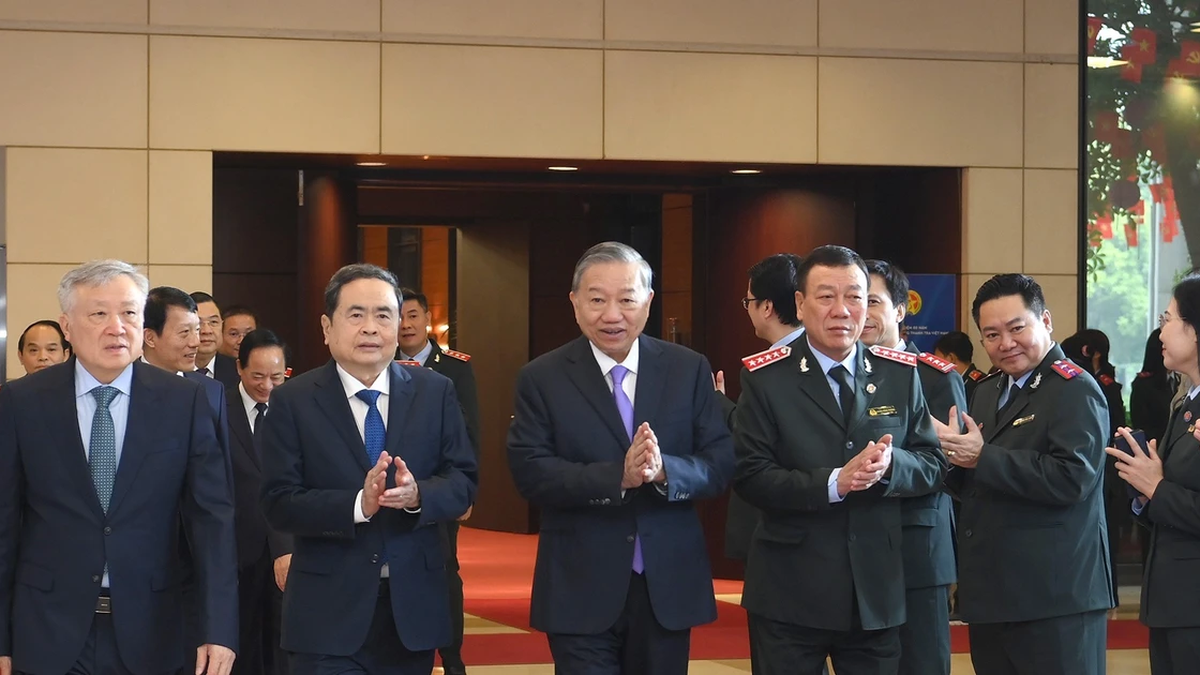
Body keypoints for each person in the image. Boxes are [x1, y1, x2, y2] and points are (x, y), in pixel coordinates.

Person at [0, 260, 238, 675]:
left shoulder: (185, 402)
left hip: (154, 629)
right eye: (99, 314)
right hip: (45, 629)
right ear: (67, 327)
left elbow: (211, 521)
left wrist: (218, 629)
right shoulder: (21, 402)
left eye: (129, 312)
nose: (117, 327)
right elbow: (4, 526)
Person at [507, 241, 735, 674]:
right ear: (575, 303)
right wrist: (620, 477)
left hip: (665, 585)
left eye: (627, 299)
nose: (612, 315)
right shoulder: (542, 378)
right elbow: (531, 473)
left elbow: (720, 462)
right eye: (596, 300)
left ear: (648, 302)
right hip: (580, 583)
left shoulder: (687, 369)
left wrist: (666, 469)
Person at [734, 245, 946, 675]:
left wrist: (890, 468)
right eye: (826, 296)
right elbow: (751, 475)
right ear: (800, 303)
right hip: (790, 589)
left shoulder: (899, 373)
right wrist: (834, 483)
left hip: (875, 591)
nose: (843, 310)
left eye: (856, 296)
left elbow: (932, 462)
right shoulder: (765, 377)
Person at [260, 263, 477, 675]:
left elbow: (463, 482)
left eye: (383, 315)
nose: (371, 328)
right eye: (356, 314)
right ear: (327, 327)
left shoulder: (436, 392)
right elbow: (278, 502)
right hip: (327, 613)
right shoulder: (294, 400)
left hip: (411, 609)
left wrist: (418, 497)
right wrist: (358, 504)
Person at [934, 273, 1112, 675]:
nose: (1006, 343)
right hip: (994, 595)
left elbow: (1073, 478)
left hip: (1054, 598)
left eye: (1017, 328)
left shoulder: (1073, 388)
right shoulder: (987, 390)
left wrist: (982, 457)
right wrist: (950, 459)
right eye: (992, 334)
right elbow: (980, 480)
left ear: (1045, 321)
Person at [861, 259, 965, 675]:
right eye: (853, 300)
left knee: (921, 663)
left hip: (916, 548)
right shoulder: (845, 372)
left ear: (901, 311)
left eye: (871, 301)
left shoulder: (936, 378)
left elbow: (951, 467)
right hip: (858, 546)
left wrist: (888, 464)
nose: (860, 312)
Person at [1106, 275, 1200, 674]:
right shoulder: (1187, 402)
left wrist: (1157, 487)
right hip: (1174, 600)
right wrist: (1147, 494)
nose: (1160, 330)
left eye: (1169, 318)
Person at [396, 288, 480, 675]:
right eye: (398, 316)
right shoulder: (380, 363)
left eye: (413, 315)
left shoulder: (456, 367)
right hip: (393, 485)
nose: (406, 324)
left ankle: (451, 656)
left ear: (427, 319)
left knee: (444, 568)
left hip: (440, 486)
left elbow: (470, 431)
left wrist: (466, 489)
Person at [716, 253, 804, 562]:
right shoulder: (810, 354)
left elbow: (753, 432)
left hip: (778, 518)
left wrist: (719, 404)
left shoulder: (775, 366)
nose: (747, 310)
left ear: (766, 307)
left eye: (748, 301)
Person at [230, 329, 294, 675]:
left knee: (283, 648)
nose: (267, 386)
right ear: (239, 368)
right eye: (257, 376)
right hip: (236, 551)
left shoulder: (298, 411)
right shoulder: (214, 407)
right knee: (241, 646)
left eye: (276, 377)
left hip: (287, 551)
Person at [932, 330, 986, 401]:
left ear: (951, 358)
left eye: (938, 360)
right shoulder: (955, 383)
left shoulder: (980, 385)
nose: (936, 366)